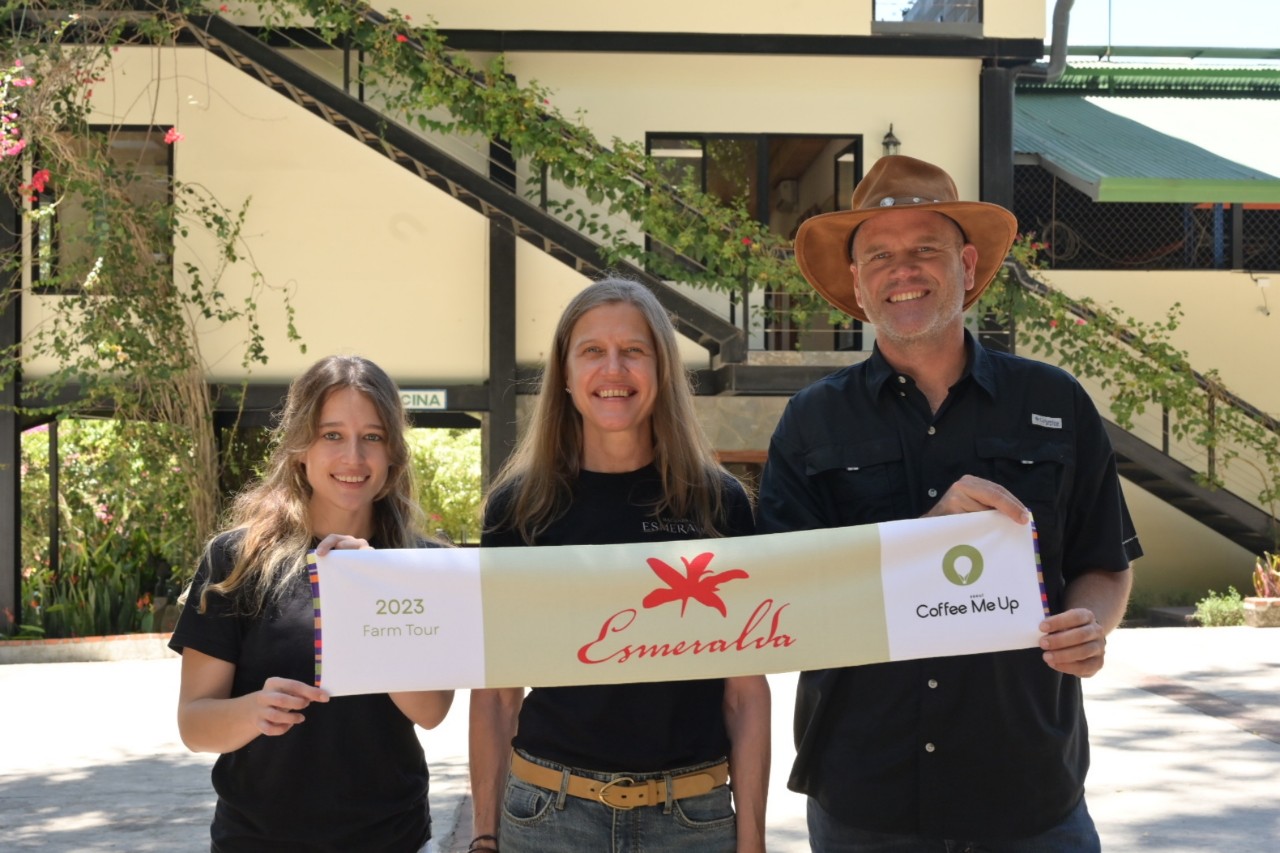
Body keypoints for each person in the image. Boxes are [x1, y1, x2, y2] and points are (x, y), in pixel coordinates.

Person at [758, 155, 1142, 851]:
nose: (902, 270)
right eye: (879, 255)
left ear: (966, 264)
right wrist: (925, 538)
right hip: (866, 797)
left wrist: (1090, 624)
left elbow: (1104, 562)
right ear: (857, 281)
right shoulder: (812, 422)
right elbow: (788, 597)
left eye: (925, 250)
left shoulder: (1054, 401)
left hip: (1029, 791)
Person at [468, 277, 770, 853]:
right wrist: (485, 835)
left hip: (692, 820)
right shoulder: (519, 508)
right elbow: (497, 694)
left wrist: (751, 839)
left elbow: (745, 693)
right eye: (592, 351)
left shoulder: (717, 502)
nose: (614, 369)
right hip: (549, 817)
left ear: (662, 369)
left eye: (633, 350)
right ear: (565, 373)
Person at [169, 355, 454, 852]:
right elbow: (195, 724)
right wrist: (253, 711)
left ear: (393, 452)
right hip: (256, 841)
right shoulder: (236, 559)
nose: (353, 457)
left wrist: (374, 588)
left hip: (393, 839)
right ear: (300, 448)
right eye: (332, 435)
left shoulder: (421, 565)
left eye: (372, 437)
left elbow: (431, 711)